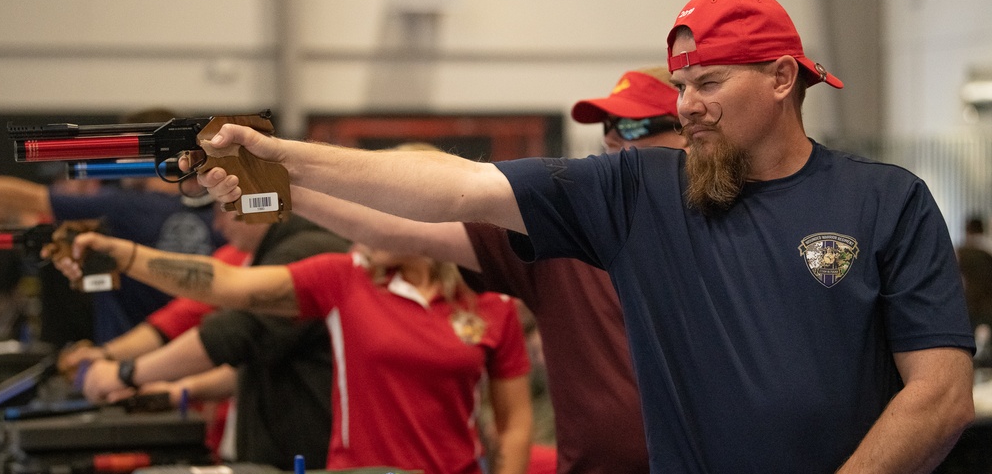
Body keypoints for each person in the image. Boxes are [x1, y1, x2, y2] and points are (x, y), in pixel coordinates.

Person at [187, 0, 977, 473]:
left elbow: (939, 396)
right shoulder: (640, 191)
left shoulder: (885, 200)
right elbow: (450, 188)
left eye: (709, 82)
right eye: (680, 85)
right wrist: (277, 161)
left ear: (781, 78)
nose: (687, 104)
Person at [205, 67, 682, 474]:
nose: (614, 138)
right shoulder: (566, 236)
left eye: (635, 126)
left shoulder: (728, 235)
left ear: (690, 131)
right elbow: (410, 222)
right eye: (608, 127)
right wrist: (274, 182)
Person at [54, 234, 533, 474]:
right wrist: (128, 257)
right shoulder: (343, 279)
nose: (355, 223)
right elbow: (228, 285)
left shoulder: (493, 307)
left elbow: (514, 424)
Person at [0, 108, 225, 343]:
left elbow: (31, 199)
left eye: (126, 150)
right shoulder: (214, 208)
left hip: (134, 357)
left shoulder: (124, 205)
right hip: (196, 351)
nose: (119, 159)